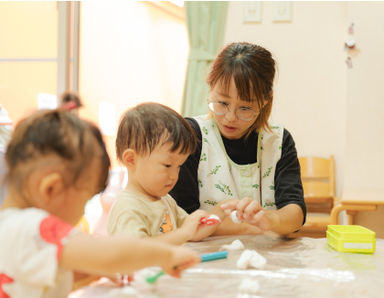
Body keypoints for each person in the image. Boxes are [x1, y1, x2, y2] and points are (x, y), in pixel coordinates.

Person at [0, 109, 200, 298]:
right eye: (85, 200)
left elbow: (42, 279)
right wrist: (166, 255)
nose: (81, 211)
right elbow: (110, 252)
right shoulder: (32, 226)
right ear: (51, 189)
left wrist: (93, 271)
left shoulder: (13, 228)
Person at [170, 42, 306, 236]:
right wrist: (251, 227)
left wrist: (271, 219)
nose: (230, 117)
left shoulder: (277, 141)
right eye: (222, 103)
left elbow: (295, 213)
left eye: (245, 108)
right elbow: (182, 217)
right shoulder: (191, 136)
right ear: (210, 88)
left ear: (265, 100)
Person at [107, 103, 228, 245]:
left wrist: (220, 212)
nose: (174, 175)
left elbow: (193, 232)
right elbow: (136, 252)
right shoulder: (127, 208)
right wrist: (183, 233)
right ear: (131, 159)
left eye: (179, 166)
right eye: (167, 165)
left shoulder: (166, 200)